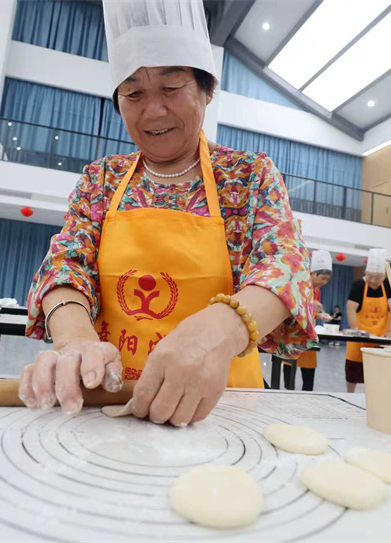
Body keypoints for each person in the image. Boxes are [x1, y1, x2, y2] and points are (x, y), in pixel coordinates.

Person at [18, 0, 315, 426]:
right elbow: (66, 265)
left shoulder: (247, 176)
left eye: (171, 88)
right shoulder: (102, 179)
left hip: (221, 413)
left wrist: (218, 331)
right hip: (105, 403)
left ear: (206, 91)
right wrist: (74, 340)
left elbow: (285, 267)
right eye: (134, 93)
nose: (153, 110)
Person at [344, 249, 391, 393]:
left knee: (378, 374)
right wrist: (355, 329)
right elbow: (351, 308)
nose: (374, 281)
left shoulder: (389, 285)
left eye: (378, 277)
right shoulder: (358, 285)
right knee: (353, 373)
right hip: (359, 338)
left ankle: (375, 397)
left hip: (381, 337)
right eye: (370, 277)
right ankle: (350, 395)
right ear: (365, 273)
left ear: (384, 275)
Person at [284, 250, 332, 391]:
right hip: (293, 335)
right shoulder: (300, 284)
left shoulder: (317, 290)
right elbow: (293, 306)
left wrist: (320, 315)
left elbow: (310, 314)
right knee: (289, 379)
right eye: (323, 278)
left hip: (308, 335)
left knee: (308, 377)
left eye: (327, 280)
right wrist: (310, 303)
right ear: (314, 273)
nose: (325, 282)